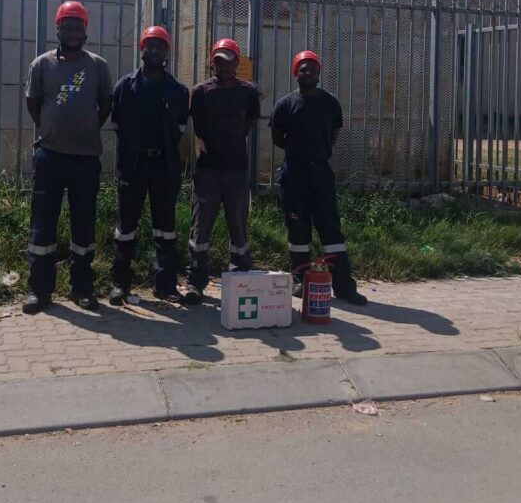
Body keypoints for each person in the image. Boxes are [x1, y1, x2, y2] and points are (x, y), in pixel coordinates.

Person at [22, 0, 113, 315]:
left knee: (83, 227)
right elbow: (33, 102)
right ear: (57, 28)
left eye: (78, 26)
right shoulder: (42, 65)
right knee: (42, 227)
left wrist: (87, 129)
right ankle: (40, 291)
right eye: (67, 25)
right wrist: (49, 128)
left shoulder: (98, 66)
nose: (73, 32)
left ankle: (82, 289)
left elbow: (105, 105)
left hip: (85, 159)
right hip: (49, 157)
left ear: (85, 30)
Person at [269, 50, 367, 306]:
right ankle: (300, 280)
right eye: (302, 68)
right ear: (295, 73)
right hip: (295, 173)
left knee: (330, 229)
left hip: (321, 172)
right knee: (297, 228)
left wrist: (317, 153)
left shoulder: (330, 103)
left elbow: (333, 133)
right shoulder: (285, 104)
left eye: (312, 67)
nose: (308, 72)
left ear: (319, 72)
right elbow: (277, 137)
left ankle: (344, 286)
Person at [109, 26, 189, 305]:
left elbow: (179, 130)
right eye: (149, 45)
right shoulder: (124, 87)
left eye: (160, 46)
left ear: (167, 51)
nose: (154, 51)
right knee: (125, 229)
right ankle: (120, 284)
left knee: (165, 230)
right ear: (141, 49)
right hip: (133, 166)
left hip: (164, 168)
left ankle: (165, 285)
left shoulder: (178, 91)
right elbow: (117, 125)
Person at [182, 38, 260, 305]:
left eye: (229, 61)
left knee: (237, 223)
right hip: (208, 172)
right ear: (212, 62)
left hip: (237, 169)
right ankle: (196, 281)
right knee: (201, 225)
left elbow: (248, 124)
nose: (224, 66)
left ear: (237, 62)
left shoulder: (249, 92)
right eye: (219, 61)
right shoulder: (201, 92)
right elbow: (199, 129)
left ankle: (241, 275)